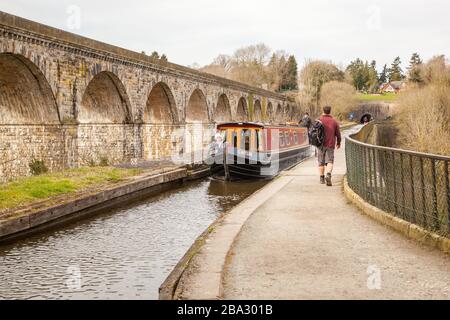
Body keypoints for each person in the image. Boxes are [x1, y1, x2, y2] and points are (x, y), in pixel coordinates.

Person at [318, 106, 341, 186]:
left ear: (323, 111)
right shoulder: (334, 121)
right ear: (330, 111)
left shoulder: (319, 120)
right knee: (330, 161)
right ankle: (328, 175)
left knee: (321, 162)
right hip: (330, 144)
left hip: (320, 144)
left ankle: (321, 178)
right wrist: (338, 142)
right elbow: (338, 133)